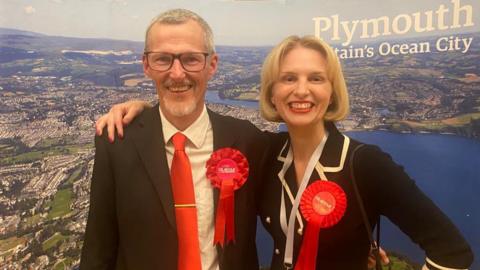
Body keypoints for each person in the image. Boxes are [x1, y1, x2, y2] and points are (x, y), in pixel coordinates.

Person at [94, 31, 473, 270]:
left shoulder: (365, 163)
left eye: (316, 79)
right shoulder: (265, 152)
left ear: (332, 90)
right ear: (273, 92)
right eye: (288, 78)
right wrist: (141, 109)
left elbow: (453, 252)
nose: (301, 90)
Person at [80, 9, 268, 270]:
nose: (177, 73)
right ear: (146, 65)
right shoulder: (117, 142)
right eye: (163, 59)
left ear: (212, 65)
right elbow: (98, 250)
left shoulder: (247, 140)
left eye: (191, 59)